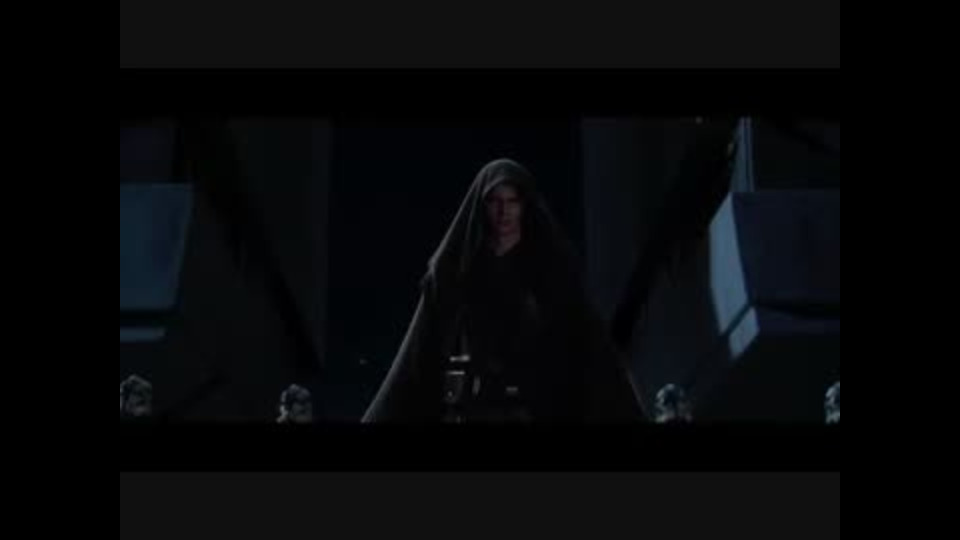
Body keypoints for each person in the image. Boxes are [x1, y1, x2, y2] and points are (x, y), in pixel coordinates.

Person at [362, 158, 646, 423]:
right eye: (494, 201)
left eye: (512, 201)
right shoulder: (452, 276)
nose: (503, 211)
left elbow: (594, 354)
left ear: (524, 206)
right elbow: (415, 362)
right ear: (481, 206)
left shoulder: (551, 274)